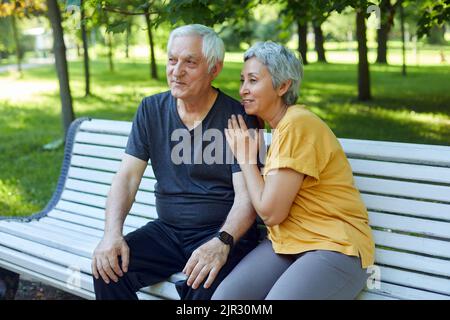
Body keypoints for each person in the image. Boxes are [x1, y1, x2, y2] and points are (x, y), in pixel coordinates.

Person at [91, 24, 261, 300]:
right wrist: (112, 234)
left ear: (214, 69)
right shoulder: (151, 109)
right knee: (107, 270)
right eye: (172, 60)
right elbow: (127, 178)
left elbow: (247, 196)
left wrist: (223, 241)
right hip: (167, 232)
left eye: (190, 63)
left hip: (222, 232)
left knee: (202, 292)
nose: (176, 71)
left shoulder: (239, 117)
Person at [213, 41, 375, 300]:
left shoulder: (298, 124)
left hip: (335, 247)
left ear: (283, 85)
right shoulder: (279, 128)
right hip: (287, 243)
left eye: (253, 80)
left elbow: (270, 212)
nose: (243, 89)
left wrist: (245, 158)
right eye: (242, 80)